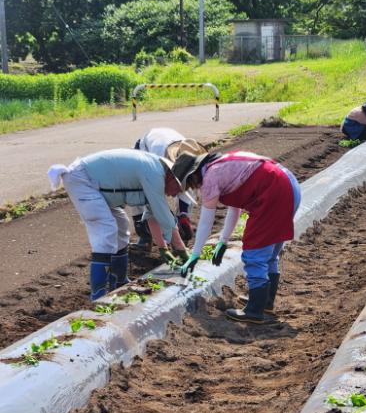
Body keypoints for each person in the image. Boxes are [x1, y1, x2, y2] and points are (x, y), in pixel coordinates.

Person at [172, 150, 301, 325]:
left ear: (192, 176)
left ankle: (254, 311)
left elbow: (205, 222)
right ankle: (265, 302)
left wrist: (195, 255)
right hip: (288, 184)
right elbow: (235, 207)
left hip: (273, 190)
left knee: (254, 252)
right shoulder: (223, 166)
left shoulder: (210, 178)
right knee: (269, 252)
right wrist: (223, 241)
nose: (194, 189)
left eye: (190, 185)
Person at [48, 150, 190, 300]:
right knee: (106, 229)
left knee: (121, 224)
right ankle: (98, 296)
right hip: (82, 180)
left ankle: (119, 283)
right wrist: (182, 250)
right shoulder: (154, 173)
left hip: (92, 182)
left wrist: (163, 248)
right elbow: (164, 216)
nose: (175, 194)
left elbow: (154, 213)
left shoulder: (157, 172)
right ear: (173, 178)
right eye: (178, 189)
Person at [131, 128, 206, 249]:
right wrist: (169, 227)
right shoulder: (156, 160)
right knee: (139, 193)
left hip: (166, 141)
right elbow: (156, 199)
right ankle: (144, 236)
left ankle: (179, 229)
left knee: (181, 197)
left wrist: (183, 216)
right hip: (144, 149)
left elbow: (187, 189)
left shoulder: (189, 157)